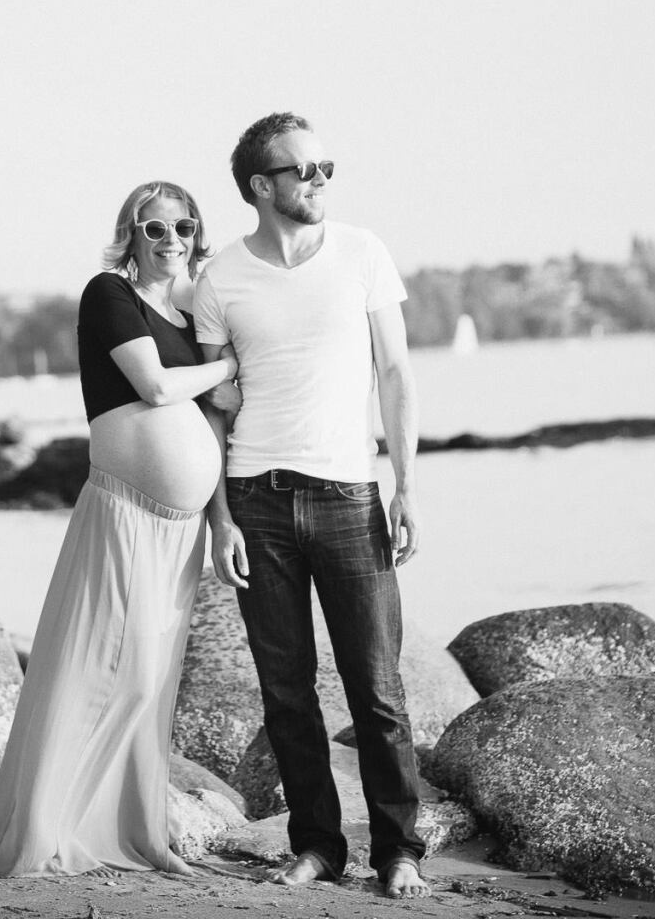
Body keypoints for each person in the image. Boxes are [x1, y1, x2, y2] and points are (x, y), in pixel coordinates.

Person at [193, 112, 430, 899]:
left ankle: (399, 852)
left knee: (377, 690)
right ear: (262, 185)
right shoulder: (220, 277)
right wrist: (219, 518)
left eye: (327, 166)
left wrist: (407, 487)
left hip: (348, 499)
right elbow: (213, 410)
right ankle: (319, 848)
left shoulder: (363, 254)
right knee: (286, 693)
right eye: (304, 170)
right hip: (257, 501)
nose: (321, 180)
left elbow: (395, 374)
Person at [0, 180, 239, 877]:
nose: (172, 241)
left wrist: (221, 522)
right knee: (98, 672)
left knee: (153, 679)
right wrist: (227, 367)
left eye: (184, 227)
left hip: (183, 527)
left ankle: (143, 835)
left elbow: (214, 423)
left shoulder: (195, 314)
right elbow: (155, 388)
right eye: (154, 229)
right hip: (125, 509)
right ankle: (45, 828)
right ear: (130, 234)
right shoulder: (109, 295)